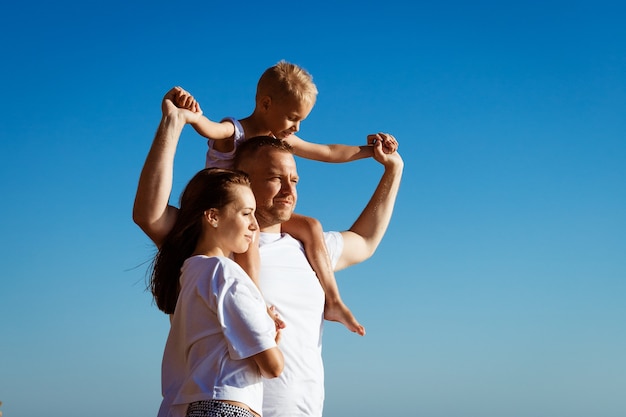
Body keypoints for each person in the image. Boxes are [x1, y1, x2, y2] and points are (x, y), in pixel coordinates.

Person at [133, 87, 404, 417]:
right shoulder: (217, 242)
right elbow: (150, 215)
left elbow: (365, 241)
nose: (290, 190)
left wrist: (393, 170)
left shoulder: (309, 248)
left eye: (295, 179)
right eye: (276, 178)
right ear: (243, 181)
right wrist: (172, 124)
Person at [174, 61, 398, 336]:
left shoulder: (279, 141)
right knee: (251, 239)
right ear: (266, 104)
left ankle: (334, 300)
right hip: (232, 212)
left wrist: (371, 150)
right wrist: (191, 115)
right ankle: (257, 302)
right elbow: (209, 128)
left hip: (260, 212)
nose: (297, 127)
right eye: (293, 117)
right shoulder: (236, 131)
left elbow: (327, 151)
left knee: (312, 226)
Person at [151, 168, 284, 417]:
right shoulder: (223, 272)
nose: (255, 225)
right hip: (227, 406)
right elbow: (273, 366)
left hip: (198, 404)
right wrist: (272, 338)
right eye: (246, 214)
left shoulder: (189, 272)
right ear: (212, 216)